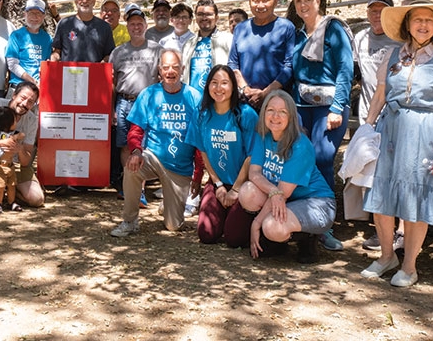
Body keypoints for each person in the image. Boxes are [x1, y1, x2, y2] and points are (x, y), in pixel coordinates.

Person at [358, 3, 433, 287]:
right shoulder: (391, 56)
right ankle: (387, 255)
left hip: (425, 133)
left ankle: (410, 266)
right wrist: (367, 129)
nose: (423, 25)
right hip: (390, 130)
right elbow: (379, 96)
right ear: (407, 25)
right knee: (381, 195)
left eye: (429, 21)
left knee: (417, 197)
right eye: (418, 20)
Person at [289, 0, 353, 251]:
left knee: (324, 157)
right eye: (298, 1)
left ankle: (325, 224)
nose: (303, 5)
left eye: (308, 0)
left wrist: (338, 107)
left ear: (318, 0)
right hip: (303, 106)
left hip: (329, 106)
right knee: (301, 158)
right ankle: (303, 217)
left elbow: (345, 69)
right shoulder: (299, 35)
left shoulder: (333, 28)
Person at [110, 48, 201, 237]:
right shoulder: (149, 94)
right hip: (153, 157)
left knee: (173, 226)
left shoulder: (194, 97)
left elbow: (200, 140)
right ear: (159, 70)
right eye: (166, 67)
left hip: (180, 167)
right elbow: (136, 129)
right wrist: (136, 151)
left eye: (175, 67)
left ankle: (168, 202)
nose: (170, 71)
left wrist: (198, 175)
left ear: (182, 69)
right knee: (131, 168)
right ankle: (130, 221)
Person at [239, 90, 337, 264]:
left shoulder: (300, 145)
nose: (275, 116)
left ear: (291, 116)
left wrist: (257, 223)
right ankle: (278, 242)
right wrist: (272, 191)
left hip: (317, 203)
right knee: (247, 192)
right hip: (286, 199)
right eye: (270, 110)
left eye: (282, 112)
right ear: (264, 113)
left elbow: (283, 193)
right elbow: (254, 173)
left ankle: (308, 239)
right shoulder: (264, 135)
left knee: (271, 226)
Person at [183, 65, 258, 248]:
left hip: (244, 183)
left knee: (235, 240)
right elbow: (203, 151)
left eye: (224, 83)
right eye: (214, 83)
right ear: (208, 86)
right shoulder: (202, 114)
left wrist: (236, 189)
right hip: (218, 182)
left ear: (233, 86)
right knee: (206, 234)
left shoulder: (245, 114)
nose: (219, 88)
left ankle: (243, 217)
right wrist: (217, 184)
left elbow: (252, 155)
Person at [350, 0, 403, 252]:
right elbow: (357, 72)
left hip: (396, 115)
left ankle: (401, 231)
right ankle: (382, 229)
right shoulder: (360, 38)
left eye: (382, 10)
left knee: (396, 172)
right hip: (368, 114)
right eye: (372, 10)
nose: (376, 15)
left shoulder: (401, 38)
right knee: (373, 173)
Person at [109, 4, 161, 204]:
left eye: (140, 24)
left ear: (146, 26)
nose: (136, 27)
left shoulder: (157, 50)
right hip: (124, 102)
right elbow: (112, 84)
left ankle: (139, 189)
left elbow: (163, 78)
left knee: (144, 145)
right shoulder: (118, 52)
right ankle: (130, 188)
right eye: (132, 24)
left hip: (148, 103)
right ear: (127, 27)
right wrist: (112, 108)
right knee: (124, 146)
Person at [228, 0, 296, 109]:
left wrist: (266, 92)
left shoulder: (286, 27)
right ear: (249, 2)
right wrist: (245, 89)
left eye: (266, 0)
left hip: (278, 100)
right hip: (246, 101)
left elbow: (289, 65)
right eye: (255, 0)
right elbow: (233, 64)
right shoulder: (241, 29)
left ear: (276, 1)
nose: (260, 5)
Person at [50, 0, 115, 63]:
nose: (84, 1)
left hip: (94, 73)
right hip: (69, 73)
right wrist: (53, 59)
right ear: (76, 2)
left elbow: (109, 54)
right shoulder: (63, 24)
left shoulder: (105, 27)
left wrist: (100, 65)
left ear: (94, 2)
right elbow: (57, 51)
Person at [182, 0, 232, 92]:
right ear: (195, 18)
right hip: (192, 99)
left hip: (218, 97)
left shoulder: (228, 40)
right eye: (200, 14)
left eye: (209, 14)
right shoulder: (188, 44)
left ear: (216, 17)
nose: (204, 18)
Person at [5, 0, 52, 92]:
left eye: (38, 13)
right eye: (31, 13)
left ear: (43, 16)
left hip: (39, 89)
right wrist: (32, 81)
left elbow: (47, 64)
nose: (34, 17)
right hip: (18, 87)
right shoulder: (16, 36)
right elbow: (12, 64)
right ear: (25, 14)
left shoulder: (47, 38)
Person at [0, 106, 22, 213]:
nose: (16, 121)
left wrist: (14, 138)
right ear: (7, 123)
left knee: (12, 185)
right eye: (14, 120)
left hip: (10, 164)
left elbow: (22, 134)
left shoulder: (14, 133)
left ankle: (12, 202)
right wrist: (2, 142)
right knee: (0, 186)